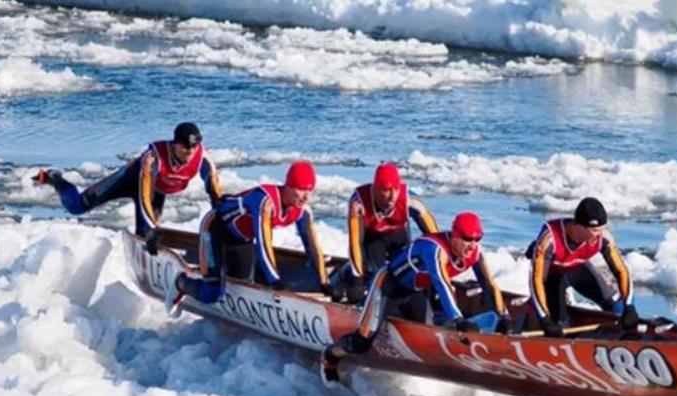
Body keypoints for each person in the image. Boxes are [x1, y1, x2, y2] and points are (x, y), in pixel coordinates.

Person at [320, 211, 509, 383]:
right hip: (387, 287)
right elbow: (442, 283)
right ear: (455, 235)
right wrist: (458, 319)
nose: (473, 245)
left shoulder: (475, 253)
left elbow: (489, 284)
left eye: (478, 239)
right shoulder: (434, 250)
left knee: (426, 337)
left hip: (413, 292)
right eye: (468, 239)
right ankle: (330, 355)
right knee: (362, 342)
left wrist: (503, 315)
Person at [164, 160, 330, 317]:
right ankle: (181, 282)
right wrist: (275, 280)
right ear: (288, 185)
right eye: (301, 189)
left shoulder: (302, 210)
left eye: (310, 191)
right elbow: (263, 243)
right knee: (212, 293)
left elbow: (313, 247)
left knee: (241, 290)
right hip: (214, 230)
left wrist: (324, 283)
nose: (306, 197)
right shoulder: (265, 202)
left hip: (241, 240)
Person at [32, 122, 221, 253]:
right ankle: (55, 178)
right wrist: (153, 228)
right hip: (129, 181)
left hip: (156, 189)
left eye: (193, 148)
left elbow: (215, 193)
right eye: (184, 148)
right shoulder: (153, 159)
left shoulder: (202, 159)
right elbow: (145, 191)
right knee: (76, 207)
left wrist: (220, 222)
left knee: (146, 236)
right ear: (174, 145)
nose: (189, 153)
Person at [527, 197, 638, 337]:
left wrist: (629, 307)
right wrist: (545, 320)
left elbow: (621, 271)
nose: (599, 235)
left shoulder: (603, 237)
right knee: (559, 324)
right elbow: (536, 280)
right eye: (595, 230)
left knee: (618, 306)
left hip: (578, 270)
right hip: (552, 278)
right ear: (579, 226)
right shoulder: (549, 239)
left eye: (602, 229)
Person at [334, 162, 439, 303]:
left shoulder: (411, 201)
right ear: (375, 189)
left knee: (403, 273)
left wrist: (439, 274)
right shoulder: (359, 202)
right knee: (376, 274)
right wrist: (357, 279)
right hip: (372, 237)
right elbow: (354, 243)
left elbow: (436, 239)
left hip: (398, 235)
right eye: (386, 190)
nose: (392, 197)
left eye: (396, 189)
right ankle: (346, 272)